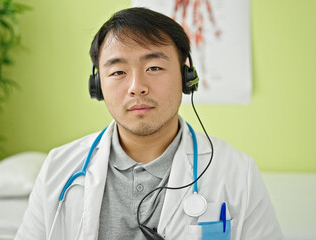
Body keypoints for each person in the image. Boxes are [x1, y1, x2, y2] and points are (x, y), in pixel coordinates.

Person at [16, 7, 283, 240]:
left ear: (186, 76)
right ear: (97, 86)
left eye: (154, 68)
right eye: (118, 72)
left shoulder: (237, 172)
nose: (137, 87)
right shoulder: (58, 168)